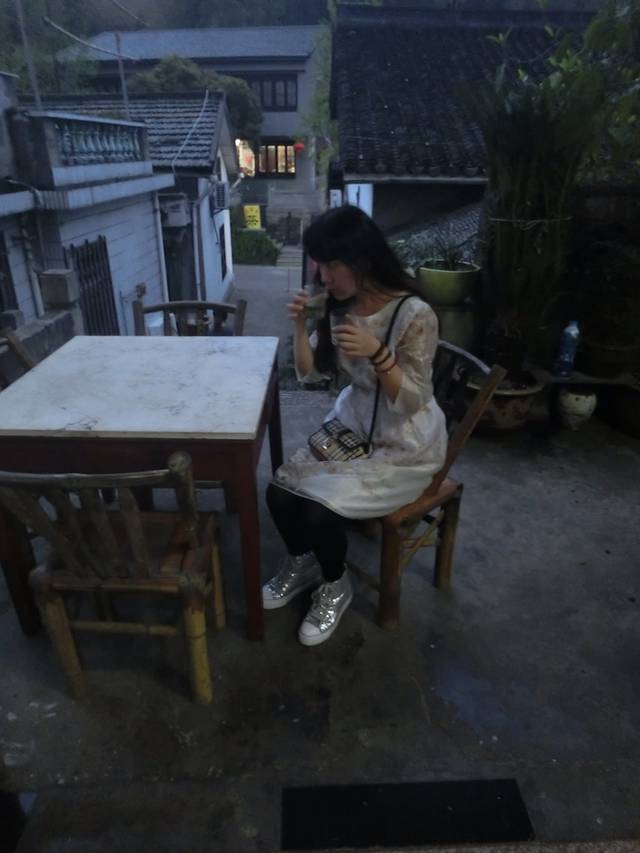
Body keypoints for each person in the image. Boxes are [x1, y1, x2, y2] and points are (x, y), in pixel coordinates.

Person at [263, 205, 448, 646]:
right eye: (318, 264)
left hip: (403, 443)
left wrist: (378, 353)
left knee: (317, 509)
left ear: (361, 260)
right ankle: (303, 562)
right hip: (351, 424)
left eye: (330, 264)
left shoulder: (414, 314)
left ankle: (335, 584)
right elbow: (310, 374)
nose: (322, 276)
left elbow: (413, 400)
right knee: (278, 491)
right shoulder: (339, 306)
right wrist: (300, 326)